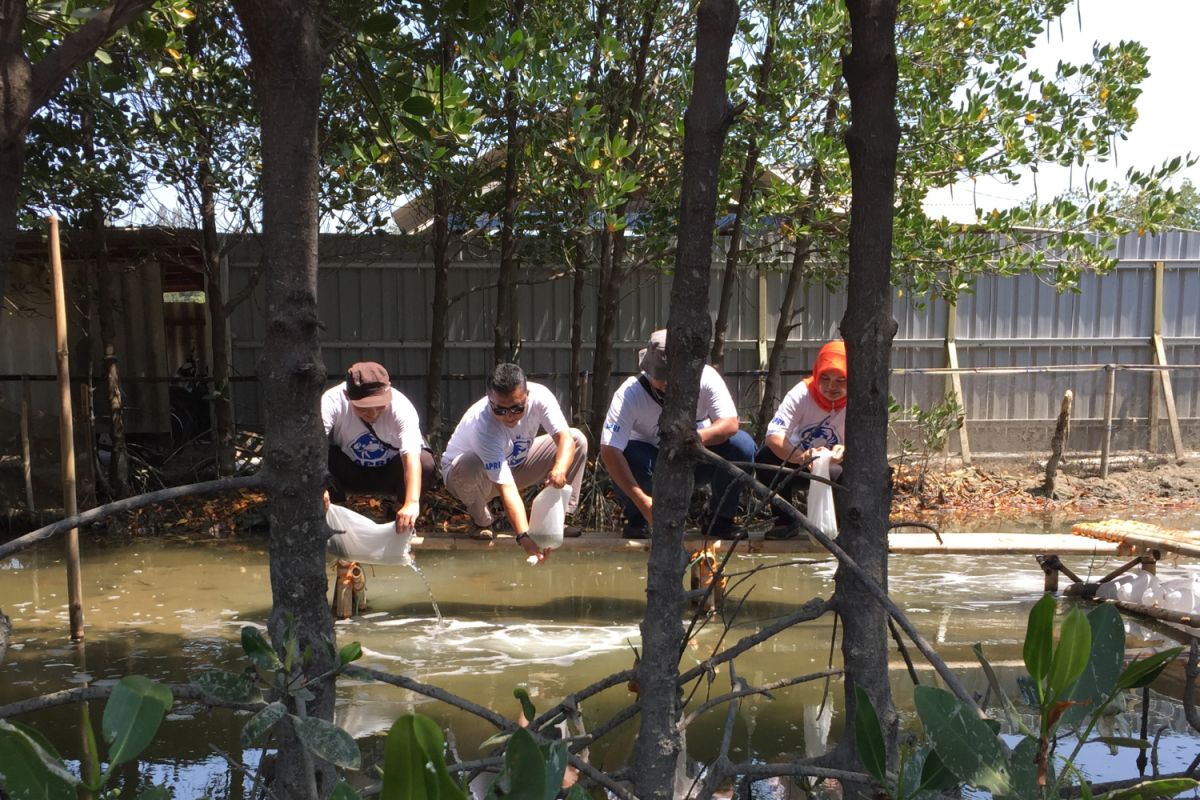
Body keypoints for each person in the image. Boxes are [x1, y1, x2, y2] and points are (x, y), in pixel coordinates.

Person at [599, 329, 756, 540]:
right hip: (651, 464)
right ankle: (638, 517)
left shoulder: (707, 377)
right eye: (660, 377)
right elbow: (609, 450)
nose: (666, 383)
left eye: (671, 377)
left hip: (694, 457)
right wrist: (642, 500)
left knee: (742, 445)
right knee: (628, 455)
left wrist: (696, 438)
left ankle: (719, 520)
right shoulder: (630, 393)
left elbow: (729, 424)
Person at [441, 363, 588, 562]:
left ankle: (556, 521)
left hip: (514, 463)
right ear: (489, 399)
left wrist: (559, 468)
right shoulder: (483, 426)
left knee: (577, 439)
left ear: (527, 394)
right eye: (500, 410)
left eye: (517, 408)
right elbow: (507, 488)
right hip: (468, 477)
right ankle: (481, 521)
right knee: (470, 464)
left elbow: (565, 439)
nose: (509, 416)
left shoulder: (541, 397)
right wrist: (524, 537)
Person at [322, 362, 434, 530]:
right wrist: (318, 487)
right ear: (347, 395)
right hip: (350, 472)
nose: (373, 413)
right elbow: (311, 446)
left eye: (379, 406)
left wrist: (411, 503)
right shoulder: (332, 400)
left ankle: (399, 516)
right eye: (364, 408)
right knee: (321, 457)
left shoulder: (402, 406)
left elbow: (411, 457)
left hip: (389, 473)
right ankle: (331, 517)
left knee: (425, 462)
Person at [756, 339, 847, 540]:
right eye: (825, 378)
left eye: (840, 380)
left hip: (838, 468)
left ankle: (843, 527)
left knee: (851, 469)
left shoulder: (860, 399)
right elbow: (773, 436)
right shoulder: (802, 393)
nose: (832, 387)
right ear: (816, 374)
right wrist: (800, 457)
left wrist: (846, 450)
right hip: (798, 465)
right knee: (764, 456)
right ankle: (785, 520)